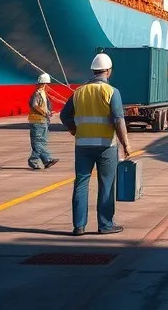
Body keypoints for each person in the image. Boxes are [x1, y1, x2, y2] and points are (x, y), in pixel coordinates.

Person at [59, 52, 131, 236]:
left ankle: (79, 226)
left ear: (93, 71)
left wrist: (74, 130)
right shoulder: (112, 92)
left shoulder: (78, 92)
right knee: (106, 185)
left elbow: (64, 115)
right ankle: (105, 225)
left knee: (81, 184)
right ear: (108, 71)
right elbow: (118, 120)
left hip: (82, 146)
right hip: (106, 146)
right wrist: (126, 144)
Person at [27, 72, 60, 170]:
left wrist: (48, 112)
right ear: (44, 83)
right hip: (38, 121)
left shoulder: (42, 93)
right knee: (39, 142)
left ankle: (46, 160)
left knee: (41, 142)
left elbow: (43, 106)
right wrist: (44, 113)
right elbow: (34, 105)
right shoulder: (38, 93)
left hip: (42, 120)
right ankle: (33, 160)